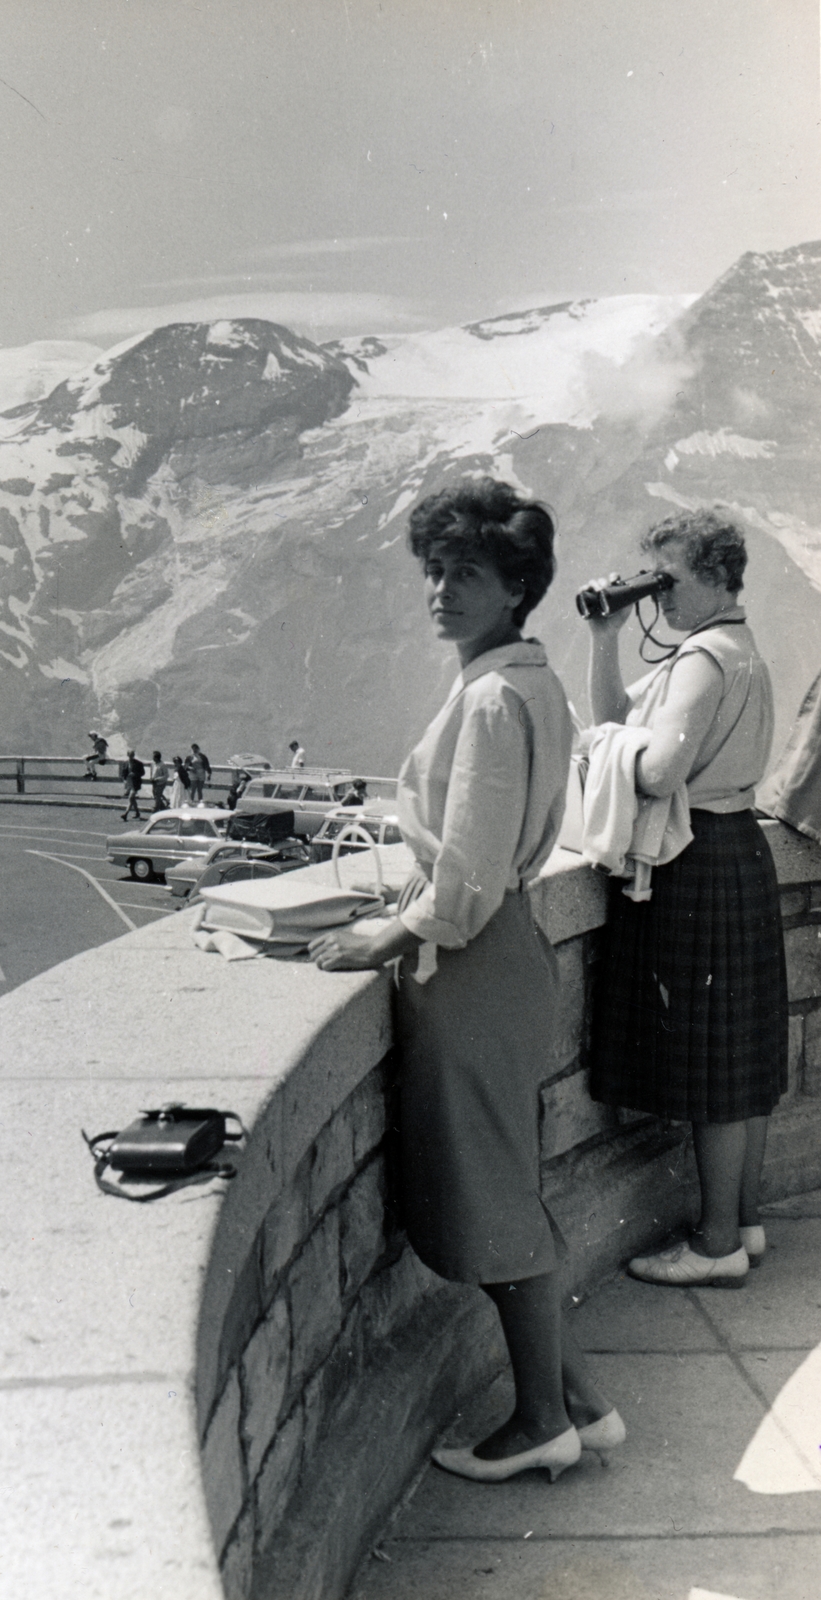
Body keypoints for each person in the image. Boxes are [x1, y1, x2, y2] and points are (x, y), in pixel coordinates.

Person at [309, 478, 618, 1484]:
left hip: (471, 964)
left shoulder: (491, 699)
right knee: (509, 1182)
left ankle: (540, 1424)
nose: (440, 590)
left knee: (493, 1196)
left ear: (515, 584)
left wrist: (381, 936)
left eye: (467, 573)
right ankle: (579, 1399)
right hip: (510, 958)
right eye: (436, 571)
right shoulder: (530, 679)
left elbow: (467, 884)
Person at [585, 507, 787, 1288]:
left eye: (667, 578)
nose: (657, 593)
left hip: (696, 857)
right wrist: (604, 641)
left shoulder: (702, 658)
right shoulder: (735, 648)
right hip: (737, 850)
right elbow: (615, 717)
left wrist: (607, 754)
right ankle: (744, 1221)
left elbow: (652, 772)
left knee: (709, 1066)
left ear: (710, 573)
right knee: (738, 1056)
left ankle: (713, 1246)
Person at [121, 750, 145, 821]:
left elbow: (142, 773)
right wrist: (124, 780)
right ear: (128, 755)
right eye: (130, 755)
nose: (131, 757)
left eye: (132, 755)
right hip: (129, 783)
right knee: (133, 799)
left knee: (131, 798)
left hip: (136, 783)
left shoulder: (138, 763)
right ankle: (137, 813)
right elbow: (123, 773)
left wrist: (135, 774)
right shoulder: (125, 763)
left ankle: (125, 814)